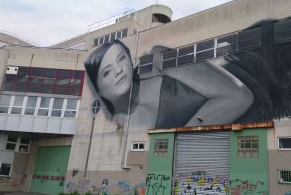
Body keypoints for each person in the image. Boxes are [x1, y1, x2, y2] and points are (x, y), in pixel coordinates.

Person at [84, 40, 254, 129]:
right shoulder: (119, 126)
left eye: (121, 58)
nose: (119, 70)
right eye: (107, 72)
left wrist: (179, 136)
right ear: (98, 90)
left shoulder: (157, 59)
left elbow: (239, 96)